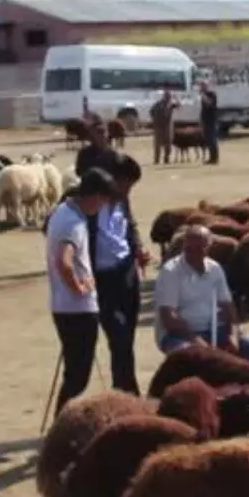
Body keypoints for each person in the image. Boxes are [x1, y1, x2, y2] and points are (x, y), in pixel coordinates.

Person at [45, 167, 115, 414]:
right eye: (104, 200)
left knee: (74, 371)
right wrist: (80, 287)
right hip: (77, 309)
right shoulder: (73, 222)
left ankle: (61, 421)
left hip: (63, 306)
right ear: (95, 196)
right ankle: (62, 423)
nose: (103, 206)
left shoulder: (61, 211)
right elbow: (63, 261)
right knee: (78, 376)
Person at [154, 224, 249, 361]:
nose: (192, 254)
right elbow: (169, 317)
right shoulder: (170, 272)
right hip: (178, 335)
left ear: (208, 248)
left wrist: (232, 335)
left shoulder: (215, 269)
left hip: (215, 330)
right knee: (188, 356)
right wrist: (196, 340)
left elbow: (228, 307)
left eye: (198, 249)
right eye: (188, 249)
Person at [87, 156, 149, 394]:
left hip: (127, 275)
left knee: (127, 338)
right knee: (118, 335)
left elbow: (130, 226)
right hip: (102, 279)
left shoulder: (122, 201)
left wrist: (139, 247)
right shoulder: (88, 203)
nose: (128, 191)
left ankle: (125, 386)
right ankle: (126, 389)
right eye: (126, 185)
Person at [149, 89, 179, 165]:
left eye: (169, 96)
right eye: (166, 96)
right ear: (164, 96)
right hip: (159, 126)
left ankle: (166, 159)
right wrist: (155, 120)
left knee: (168, 143)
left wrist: (176, 98)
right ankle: (156, 160)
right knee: (157, 144)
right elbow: (151, 112)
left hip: (168, 126)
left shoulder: (171, 104)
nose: (168, 97)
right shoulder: (158, 104)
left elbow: (179, 106)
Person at [199, 81, 220, 165]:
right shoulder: (203, 96)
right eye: (201, 86)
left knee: (212, 140)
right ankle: (211, 158)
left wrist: (203, 95)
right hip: (205, 120)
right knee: (208, 140)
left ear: (207, 86)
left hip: (212, 120)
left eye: (203, 86)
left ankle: (215, 159)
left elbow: (209, 104)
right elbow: (203, 109)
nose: (202, 88)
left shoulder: (212, 94)